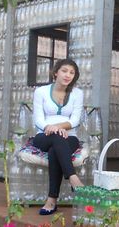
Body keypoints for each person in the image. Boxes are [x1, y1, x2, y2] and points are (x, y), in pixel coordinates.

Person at [32, 59, 84, 215]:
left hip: (69, 136)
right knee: (56, 139)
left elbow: (75, 120)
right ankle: (73, 178)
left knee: (56, 149)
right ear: (56, 72)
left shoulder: (77, 93)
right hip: (44, 135)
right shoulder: (41, 92)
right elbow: (38, 119)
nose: (68, 75)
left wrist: (59, 127)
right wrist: (50, 128)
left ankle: (51, 200)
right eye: (64, 71)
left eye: (72, 72)